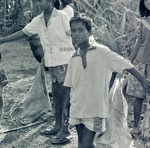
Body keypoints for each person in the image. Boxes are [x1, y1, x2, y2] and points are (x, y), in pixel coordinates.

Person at [0, 0, 75, 144]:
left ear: (50, 0)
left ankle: (65, 130)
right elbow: (23, 32)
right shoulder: (39, 20)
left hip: (65, 61)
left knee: (64, 98)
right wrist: (1, 41)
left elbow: (74, 35)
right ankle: (57, 126)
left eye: (40, 0)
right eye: (36, 0)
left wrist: (82, 52)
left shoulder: (62, 16)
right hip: (52, 62)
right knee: (56, 97)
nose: (37, 3)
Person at [62, 15, 150, 148]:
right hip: (77, 107)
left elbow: (124, 63)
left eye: (80, 30)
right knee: (84, 143)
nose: (76, 34)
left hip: (95, 109)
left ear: (90, 32)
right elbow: (69, 85)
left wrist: (142, 79)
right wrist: (65, 107)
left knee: (84, 146)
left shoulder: (102, 53)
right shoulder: (74, 58)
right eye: (73, 31)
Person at [127, 0, 150, 135]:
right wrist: (128, 62)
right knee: (139, 97)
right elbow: (138, 42)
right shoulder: (144, 21)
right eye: (145, 0)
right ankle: (136, 126)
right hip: (141, 62)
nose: (148, 2)